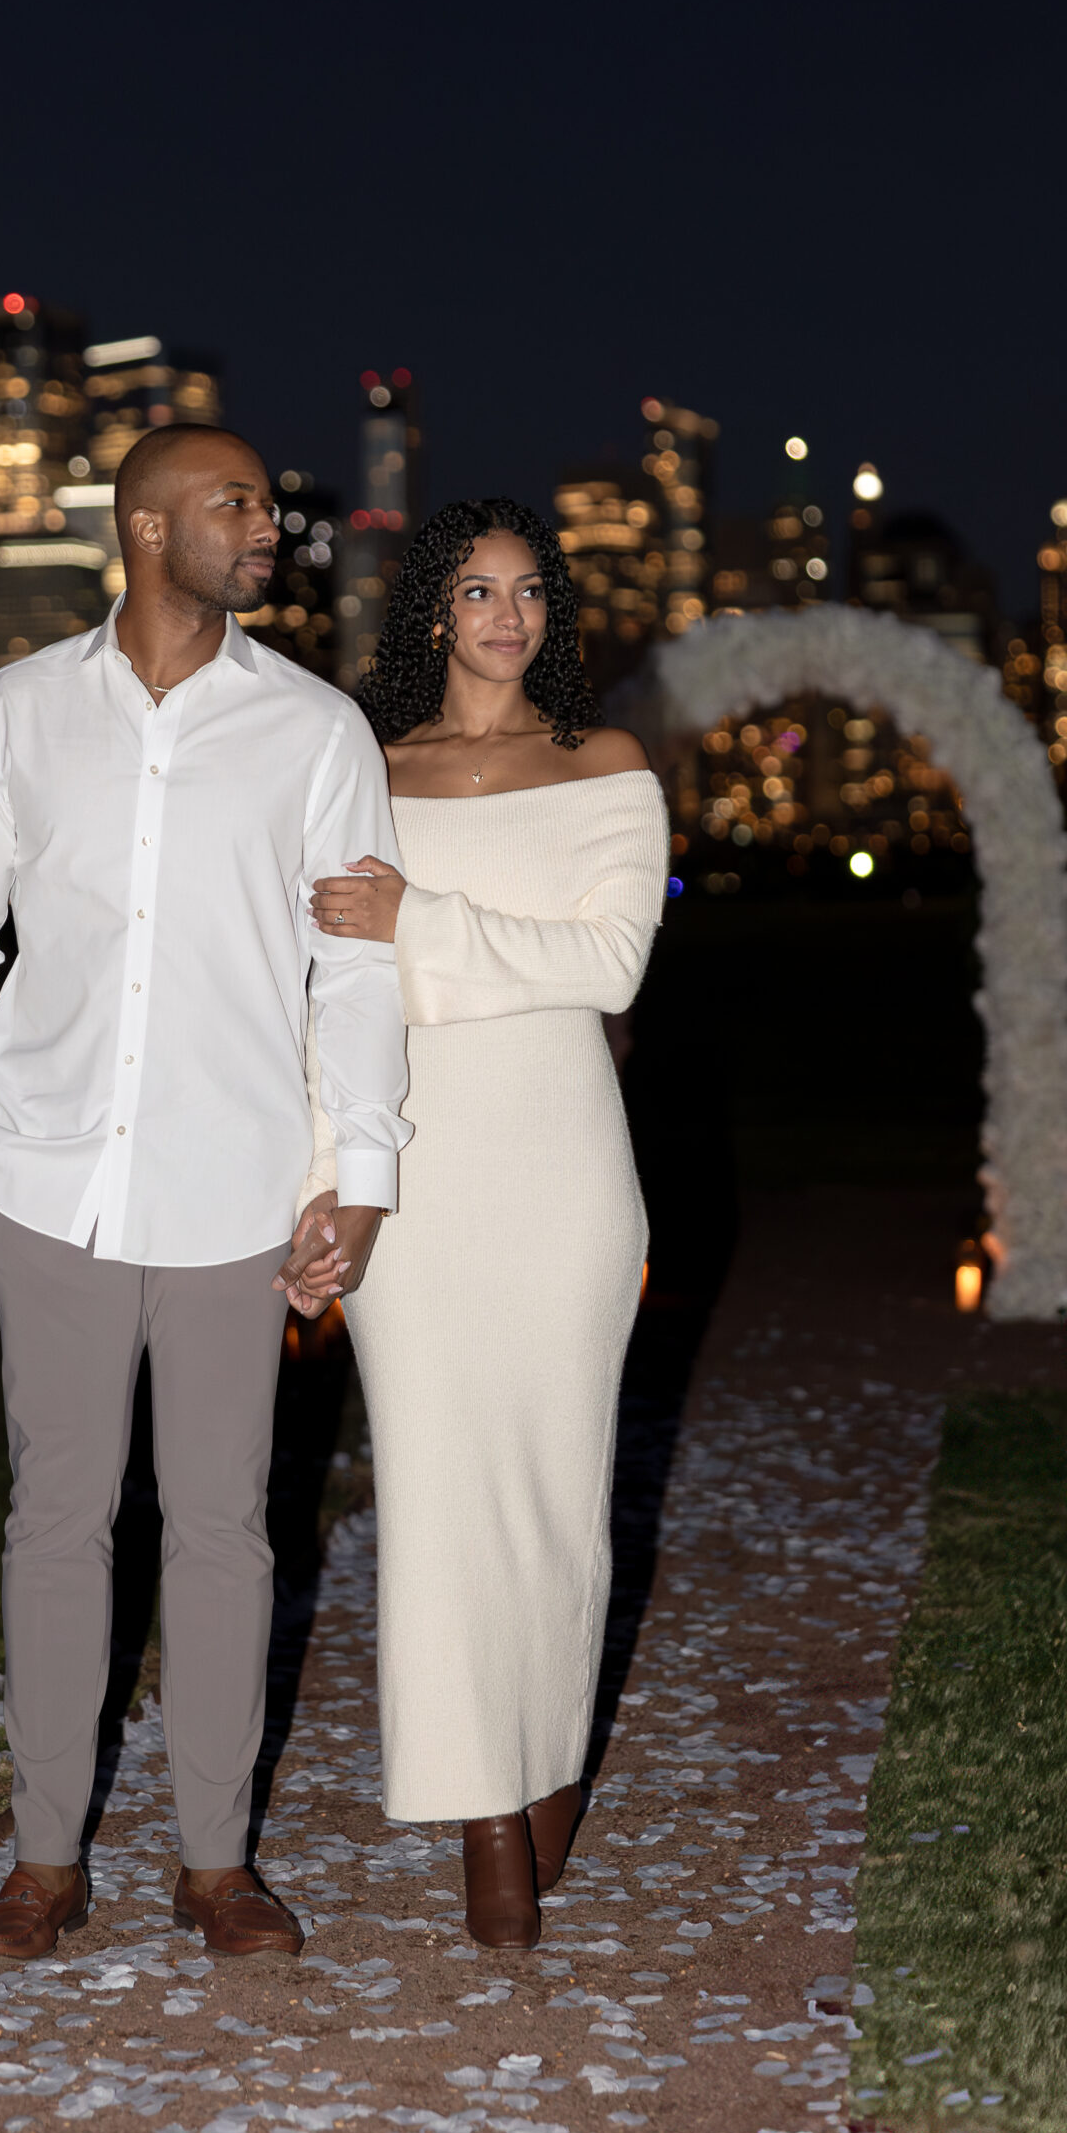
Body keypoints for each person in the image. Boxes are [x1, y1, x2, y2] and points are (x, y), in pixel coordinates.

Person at [0, 425, 410, 1963]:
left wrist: (364, 1174)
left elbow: (356, 968)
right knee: (56, 1519)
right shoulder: (16, 714)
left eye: (265, 500)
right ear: (142, 528)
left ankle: (214, 1866)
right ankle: (47, 1865)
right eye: (235, 503)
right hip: (47, 1185)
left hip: (234, 1190)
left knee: (224, 1530)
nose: (268, 523)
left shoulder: (316, 731)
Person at [297, 497, 668, 1950]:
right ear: (430, 617)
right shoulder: (365, 778)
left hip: (566, 1172)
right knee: (441, 1500)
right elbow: (333, 1000)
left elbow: (614, 962)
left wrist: (424, 930)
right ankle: (488, 1817)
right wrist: (324, 1184)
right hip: (414, 1174)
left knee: (558, 1492)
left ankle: (545, 1755)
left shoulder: (610, 767)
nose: (503, 617)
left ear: (551, 615)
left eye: (526, 592)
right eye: (474, 592)